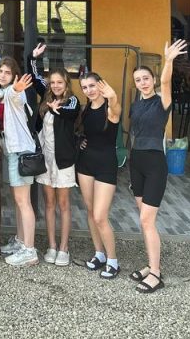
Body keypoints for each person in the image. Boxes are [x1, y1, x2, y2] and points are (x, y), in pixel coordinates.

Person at [129, 40, 187, 294]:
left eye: (146, 78)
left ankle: (155, 274)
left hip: (155, 164)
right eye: (138, 80)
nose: (142, 82)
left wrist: (169, 60)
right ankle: (151, 264)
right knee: (144, 221)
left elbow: (166, 82)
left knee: (147, 220)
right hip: (137, 162)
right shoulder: (136, 105)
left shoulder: (161, 102)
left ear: (152, 80)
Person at [75, 71, 121, 278]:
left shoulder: (110, 108)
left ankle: (113, 261)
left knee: (100, 216)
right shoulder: (85, 110)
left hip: (106, 165)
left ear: (101, 85)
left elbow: (116, 111)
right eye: (85, 87)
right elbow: (82, 132)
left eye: (92, 86)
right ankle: (99, 254)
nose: (89, 90)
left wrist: (113, 97)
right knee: (91, 211)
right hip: (85, 164)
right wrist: (80, 142)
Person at [0, 56, 40, 266]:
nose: (3, 75)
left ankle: (29, 250)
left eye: (7, 72)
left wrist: (16, 88)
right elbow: (1, 94)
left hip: (21, 152)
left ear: (15, 75)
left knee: (24, 202)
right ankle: (21, 241)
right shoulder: (2, 93)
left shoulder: (17, 93)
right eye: (0, 71)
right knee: (18, 200)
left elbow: (13, 95)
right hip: (11, 151)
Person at [37, 68, 80, 266]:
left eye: (59, 82)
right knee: (49, 203)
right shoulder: (45, 101)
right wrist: (32, 57)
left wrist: (56, 109)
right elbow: (34, 77)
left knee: (63, 204)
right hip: (46, 159)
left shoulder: (72, 101)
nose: (56, 86)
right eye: (52, 82)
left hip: (63, 160)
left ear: (66, 84)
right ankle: (52, 245)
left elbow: (71, 113)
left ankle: (64, 247)